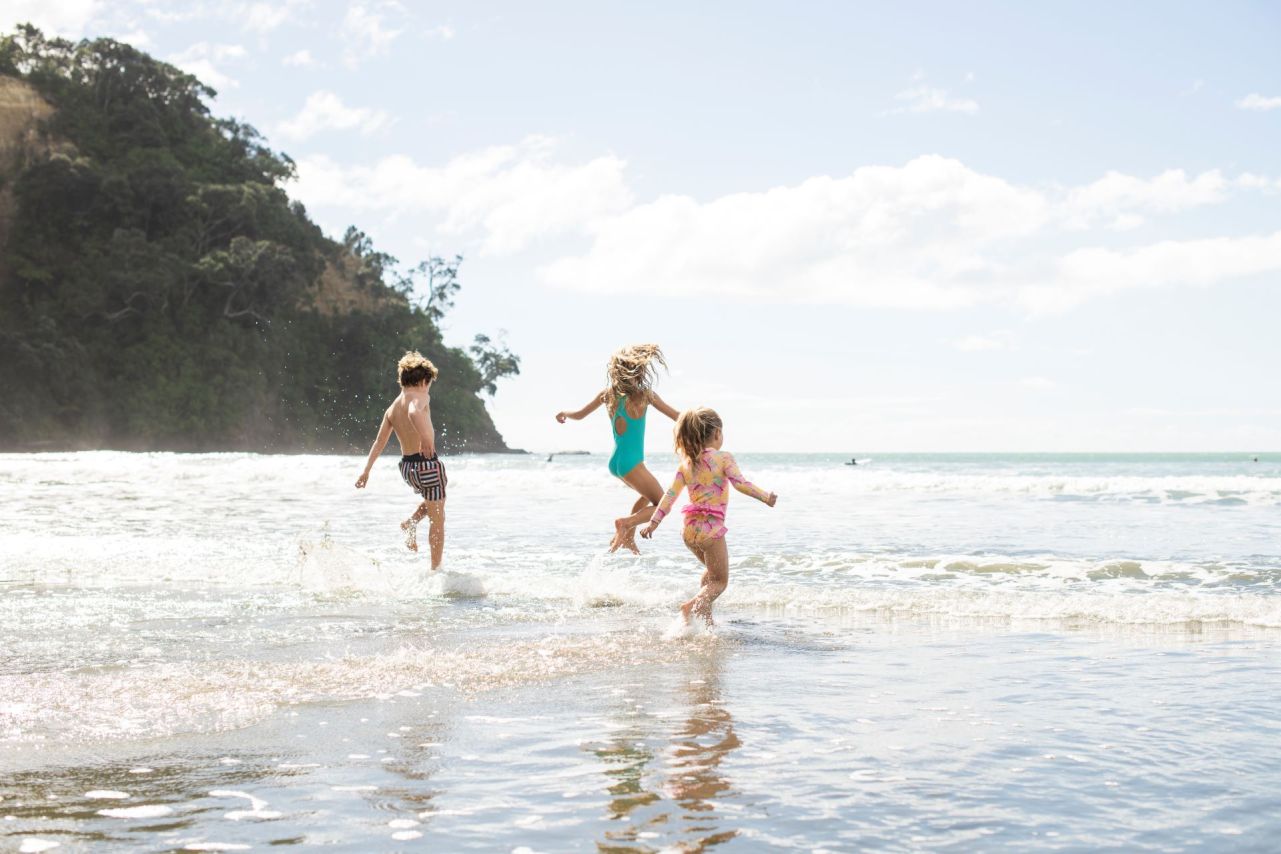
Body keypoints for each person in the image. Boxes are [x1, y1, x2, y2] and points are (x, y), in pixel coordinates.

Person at [639, 407, 777, 626]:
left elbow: (670, 495)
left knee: (711, 576)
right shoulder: (723, 458)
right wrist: (765, 497)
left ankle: (705, 621)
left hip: (689, 532)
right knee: (720, 581)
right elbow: (740, 484)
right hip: (710, 531)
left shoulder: (686, 463)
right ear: (717, 434)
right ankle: (691, 606)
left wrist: (653, 522)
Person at [555, 344, 679, 553]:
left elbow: (579, 414)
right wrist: (703, 417)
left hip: (616, 463)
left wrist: (564, 413)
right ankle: (626, 524)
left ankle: (628, 537)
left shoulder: (608, 395)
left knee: (648, 496)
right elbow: (678, 416)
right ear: (639, 371)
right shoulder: (646, 395)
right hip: (632, 463)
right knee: (662, 504)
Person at [355, 351, 447, 570]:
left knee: (434, 501)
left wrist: (366, 470)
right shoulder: (420, 395)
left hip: (407, 468)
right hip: (427, 464)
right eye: (429, 383)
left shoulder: (393, 406)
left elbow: (379, 442)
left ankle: (410, 523)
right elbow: (414, 413)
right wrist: (425, 437)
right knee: (438, 520)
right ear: (424, 380)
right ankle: (436, 572)